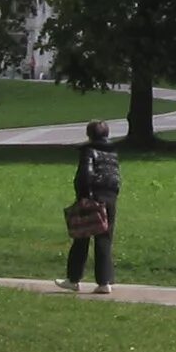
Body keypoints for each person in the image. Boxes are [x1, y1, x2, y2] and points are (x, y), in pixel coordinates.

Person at [57, 120, 121, 294]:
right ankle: (104, 281)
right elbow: (116, 177)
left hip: (92, 196)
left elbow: (85, 174)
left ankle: (73, 279)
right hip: (110, 197)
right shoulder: (113, 152)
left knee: (81, 237)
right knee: (104, 238)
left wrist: (83, 197)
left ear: (90, 134)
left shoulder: (88, 151)